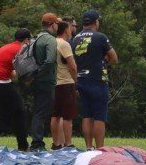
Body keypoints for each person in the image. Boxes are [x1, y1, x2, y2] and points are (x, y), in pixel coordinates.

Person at [72, 9, 118, 150]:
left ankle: (89, 147)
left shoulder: (75, 38)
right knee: (99, 116)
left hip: (81, 79)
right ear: (95, 22)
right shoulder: (100, 37)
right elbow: (114, 58)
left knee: (86, 114)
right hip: (98, 79)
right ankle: (100, 148)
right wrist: (104, 61)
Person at [29, 13, 60, 151]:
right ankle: (37, 143)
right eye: (57, 24)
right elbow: (49, 61)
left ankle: (36, 141)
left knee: (38, 111)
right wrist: (38, 74)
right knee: (41, 112)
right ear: (52, 24)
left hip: (35, 81)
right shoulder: (50, 40)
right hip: (45, 80)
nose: (57, 26)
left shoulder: (35, 38)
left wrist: (33, 76)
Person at [50, 20, 78, 149]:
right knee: (68, 116)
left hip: (54, 82)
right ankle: (68, 143)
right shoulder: (64, 44)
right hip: (66, 82)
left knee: (56, 114)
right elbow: (72, 66)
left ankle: (56, 143)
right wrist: (75, 82)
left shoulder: (52, 42)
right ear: (66, 29)